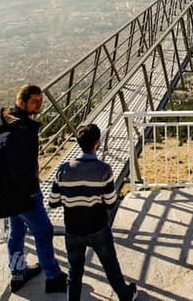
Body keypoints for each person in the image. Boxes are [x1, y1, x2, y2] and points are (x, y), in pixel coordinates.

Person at [0, 84, 67, 293]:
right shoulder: (20, 131)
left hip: (4, 191)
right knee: (44, 230)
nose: (39, 105)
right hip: (20, 193)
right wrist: (31, 191)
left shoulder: (4, 121)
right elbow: (20, 168)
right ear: (21, 102)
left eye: (40, 101)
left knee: (17, 230)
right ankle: (53, 276)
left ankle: (18, 274)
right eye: (34, 101)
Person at [50, 124, 137, 301]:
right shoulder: (103, 170)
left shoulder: (63, 170)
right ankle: (125, 295)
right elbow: (111, 202)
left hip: (73, 229)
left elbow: (53, 202)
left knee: (74, 272)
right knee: (111, 266)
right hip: (97, 228)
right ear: (98, 143)